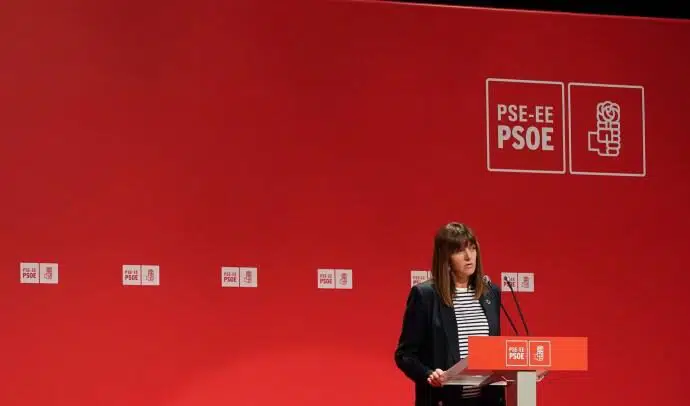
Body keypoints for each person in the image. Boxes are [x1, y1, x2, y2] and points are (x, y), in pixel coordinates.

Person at [394, 222, 505, 406]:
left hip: (487, 400)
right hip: (444, 399)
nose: (469, 256)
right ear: (446, 257)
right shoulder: (426, 295)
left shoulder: (490, 293)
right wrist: (428, 374)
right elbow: (405, 355)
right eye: (460, 251)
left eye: (472, 248)